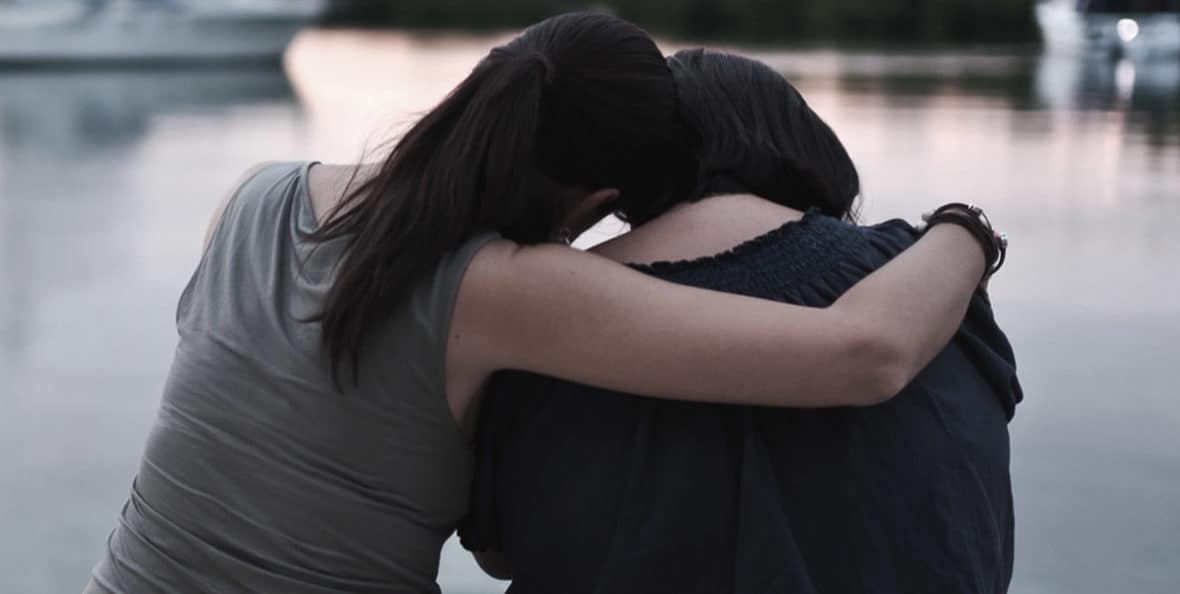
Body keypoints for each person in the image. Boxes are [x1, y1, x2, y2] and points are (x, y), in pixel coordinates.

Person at [85, 14, 1007, 594]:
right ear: (599, 200)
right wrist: (964, 230)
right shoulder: (509, 289)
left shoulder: (254, 196)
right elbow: (865, 354)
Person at [460, 49, 1023, 594]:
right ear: (801, 139)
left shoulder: (537, 310)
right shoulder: (925, 280)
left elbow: (500, 551)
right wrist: (965, 228)